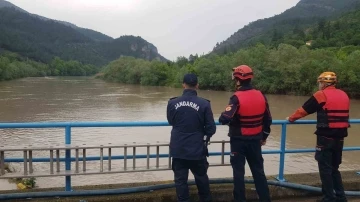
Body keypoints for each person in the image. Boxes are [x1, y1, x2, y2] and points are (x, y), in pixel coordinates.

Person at [286, 71, 349, 202]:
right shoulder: (344, 94)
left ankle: (328, 198)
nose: (319, 85)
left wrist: (291, 119)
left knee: (325, 169)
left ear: (324, 83)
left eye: (320, 83)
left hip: (325, 137)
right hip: (340, 137)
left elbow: (304, 110)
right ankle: (341, 197)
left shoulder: (321, 95)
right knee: (334, 168)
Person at [218, 65, 272, 202]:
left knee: (238, 173)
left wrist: (223, 114)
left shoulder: (236, 98)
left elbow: (224, 119)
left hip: (238, 141)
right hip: (256, 140)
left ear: (237, 80)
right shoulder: (261, 95)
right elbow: (268, 119)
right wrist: (264, 136)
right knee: (259, 172)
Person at [167, 73, 216, 202]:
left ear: (183, 85)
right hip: (197, 149)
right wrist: (200, 134)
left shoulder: (172, 103)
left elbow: (171, 121)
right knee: (202, 179)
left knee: (180, 181)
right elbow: (211, 128)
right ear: (197, 85)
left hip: (178, 149)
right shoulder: (205, 104)